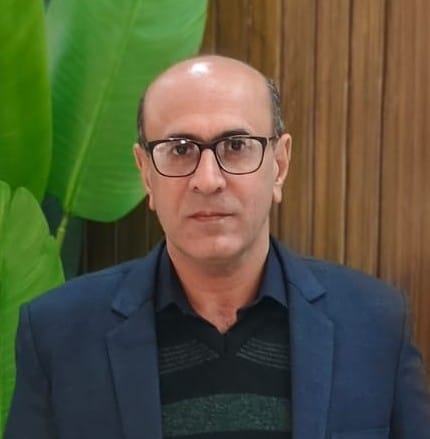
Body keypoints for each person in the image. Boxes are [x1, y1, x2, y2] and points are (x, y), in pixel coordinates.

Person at [5, 55, 430, 439]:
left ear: (279, 164)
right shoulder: (59, 334)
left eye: (236, 146)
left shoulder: (375, 323)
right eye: (180, 150)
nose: (207, 180)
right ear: (146, 172)